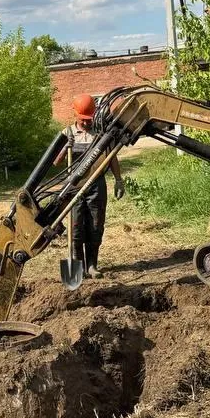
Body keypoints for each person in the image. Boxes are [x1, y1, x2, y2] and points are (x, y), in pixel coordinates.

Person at [54, 94, 124, 279]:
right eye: (83, 120)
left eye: (89, 120)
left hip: (96, 185)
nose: (86, 123)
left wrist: (118, 179)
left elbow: (112, 157)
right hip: (75, 187)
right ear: (75, 115)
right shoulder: (67, 133)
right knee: (76, 228)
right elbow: (56, 163)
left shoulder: (100, 135)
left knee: (95, 226)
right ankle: (77, 266)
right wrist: (64, 148)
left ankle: (92, 265)